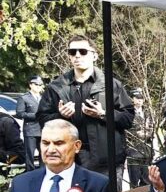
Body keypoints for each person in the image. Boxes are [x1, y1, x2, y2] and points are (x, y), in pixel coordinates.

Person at [36, 34, 134, 176]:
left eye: (82, 51)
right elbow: (42, 118)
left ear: (94, 56)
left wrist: (103, 114)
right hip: (68, 161)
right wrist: (60, 116)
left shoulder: (111, 85)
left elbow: (128, 119)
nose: (77, 56)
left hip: (106, 162)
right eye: (72, 52)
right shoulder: (57, 87)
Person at [16, 76, 44, 169]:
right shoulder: (24, 98)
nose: (38, 86)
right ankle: (30, 174)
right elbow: (20, 113)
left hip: (43, 130)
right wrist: (35, 115)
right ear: (30, 85)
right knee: (30, 155)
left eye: (40, 85)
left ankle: (42, 172)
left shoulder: (43, 97)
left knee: (43, 154)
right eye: (36, 84)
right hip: (30, 130)